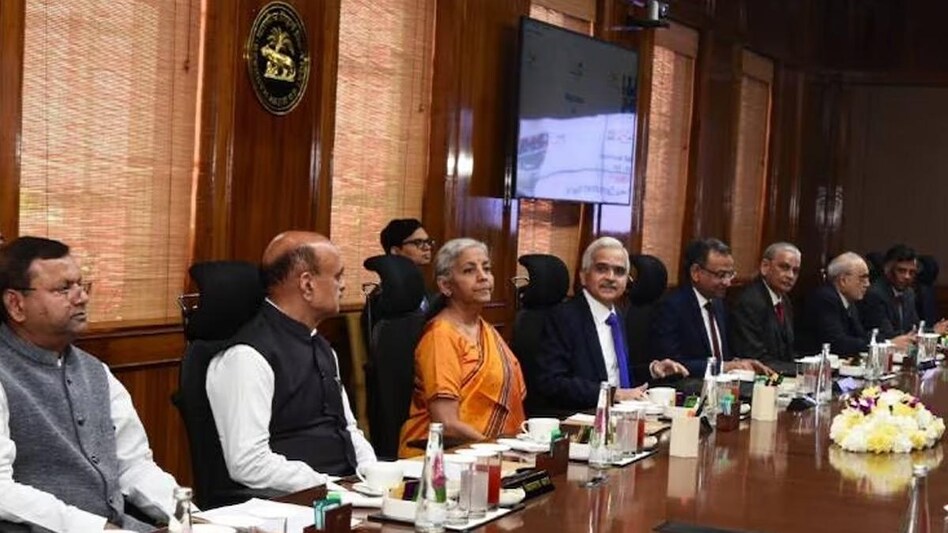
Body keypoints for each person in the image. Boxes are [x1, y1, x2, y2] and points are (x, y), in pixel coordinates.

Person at [0, 236, 180, 531]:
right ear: (16, 304)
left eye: (82, 285)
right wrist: (96, 528)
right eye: (63, 289)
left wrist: (189, 518)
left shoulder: (96, 371)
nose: (81, 297)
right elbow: (2, 493)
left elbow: (133, 466)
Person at [206, 231, 376, 494]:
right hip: (290, 503)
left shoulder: (321, 346)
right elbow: (249, 463)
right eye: (337, 276)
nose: (343, 286)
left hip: (345, 493)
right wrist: (328, 487)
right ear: (307, 285)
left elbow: (348, 428)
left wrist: (373, 476)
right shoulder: (247, 356)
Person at [398, 238, 526, 458]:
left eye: (486, 268)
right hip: (441, 458)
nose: (483, 276)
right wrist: (502, 451)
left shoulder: (486, 330)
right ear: (446, 286)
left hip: (490, 452)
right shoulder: (441, 336)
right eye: (469, 270)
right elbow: (447, 424)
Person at [536, 237, 688, 410]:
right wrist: (611, 394)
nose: (611, 277)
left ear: (626, 281)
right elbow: (551, 382)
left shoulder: (617, 316)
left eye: (619, 272)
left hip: (621, 415)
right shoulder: (563, 318)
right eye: (601, 269)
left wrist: (653, 369)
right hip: (583, 418)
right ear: (583, 276)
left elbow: (616, 373)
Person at [650, 238, 772, 377]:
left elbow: (724, 355)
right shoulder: (671, 307)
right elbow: (672, 364)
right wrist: (723, 367)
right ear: (696, 272)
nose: (727, 282)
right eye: (720, 275)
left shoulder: (719, 304)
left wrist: (741, 363)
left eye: (730, 274)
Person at [800, 252, 913, 355]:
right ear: (843, 280)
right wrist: (887, 344)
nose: (868, 284)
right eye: (862, 278)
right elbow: (838, 343)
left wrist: (892, 339)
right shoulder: (825, 298)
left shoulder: (850, 301)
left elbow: (860, 335)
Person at [729, 242, 801, 363]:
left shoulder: (784, 300)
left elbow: (787, 351)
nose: (790, 276)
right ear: (765, 266)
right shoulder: (750, 301)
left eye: (796, 271)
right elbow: (754, 355)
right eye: (784, 267)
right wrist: (797, 371)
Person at [858, 244, 948, 339]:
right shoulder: (875, 294)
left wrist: (934, 330)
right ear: (888, 270)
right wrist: (932, 332)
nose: (907, 276)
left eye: (912, 272)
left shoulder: (909, 293)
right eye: (901, 271)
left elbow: (915, 327)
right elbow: (887, 334)